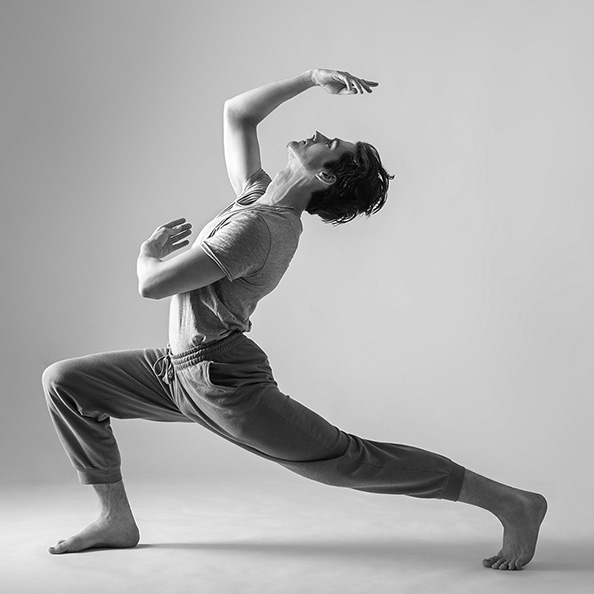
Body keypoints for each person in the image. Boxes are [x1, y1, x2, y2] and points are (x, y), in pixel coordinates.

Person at [42, 68, 547, 570]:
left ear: (324, 176)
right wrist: (310, 77)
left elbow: (152, 284)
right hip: (178, 372)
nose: (320, 133)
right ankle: (115, 520)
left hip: (222, 381)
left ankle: (511, 502)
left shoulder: (259, 229)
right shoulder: (256, 197)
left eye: (331, 143)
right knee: (68, 383)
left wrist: (145, 254)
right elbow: (237, 113)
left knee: (349, 461)